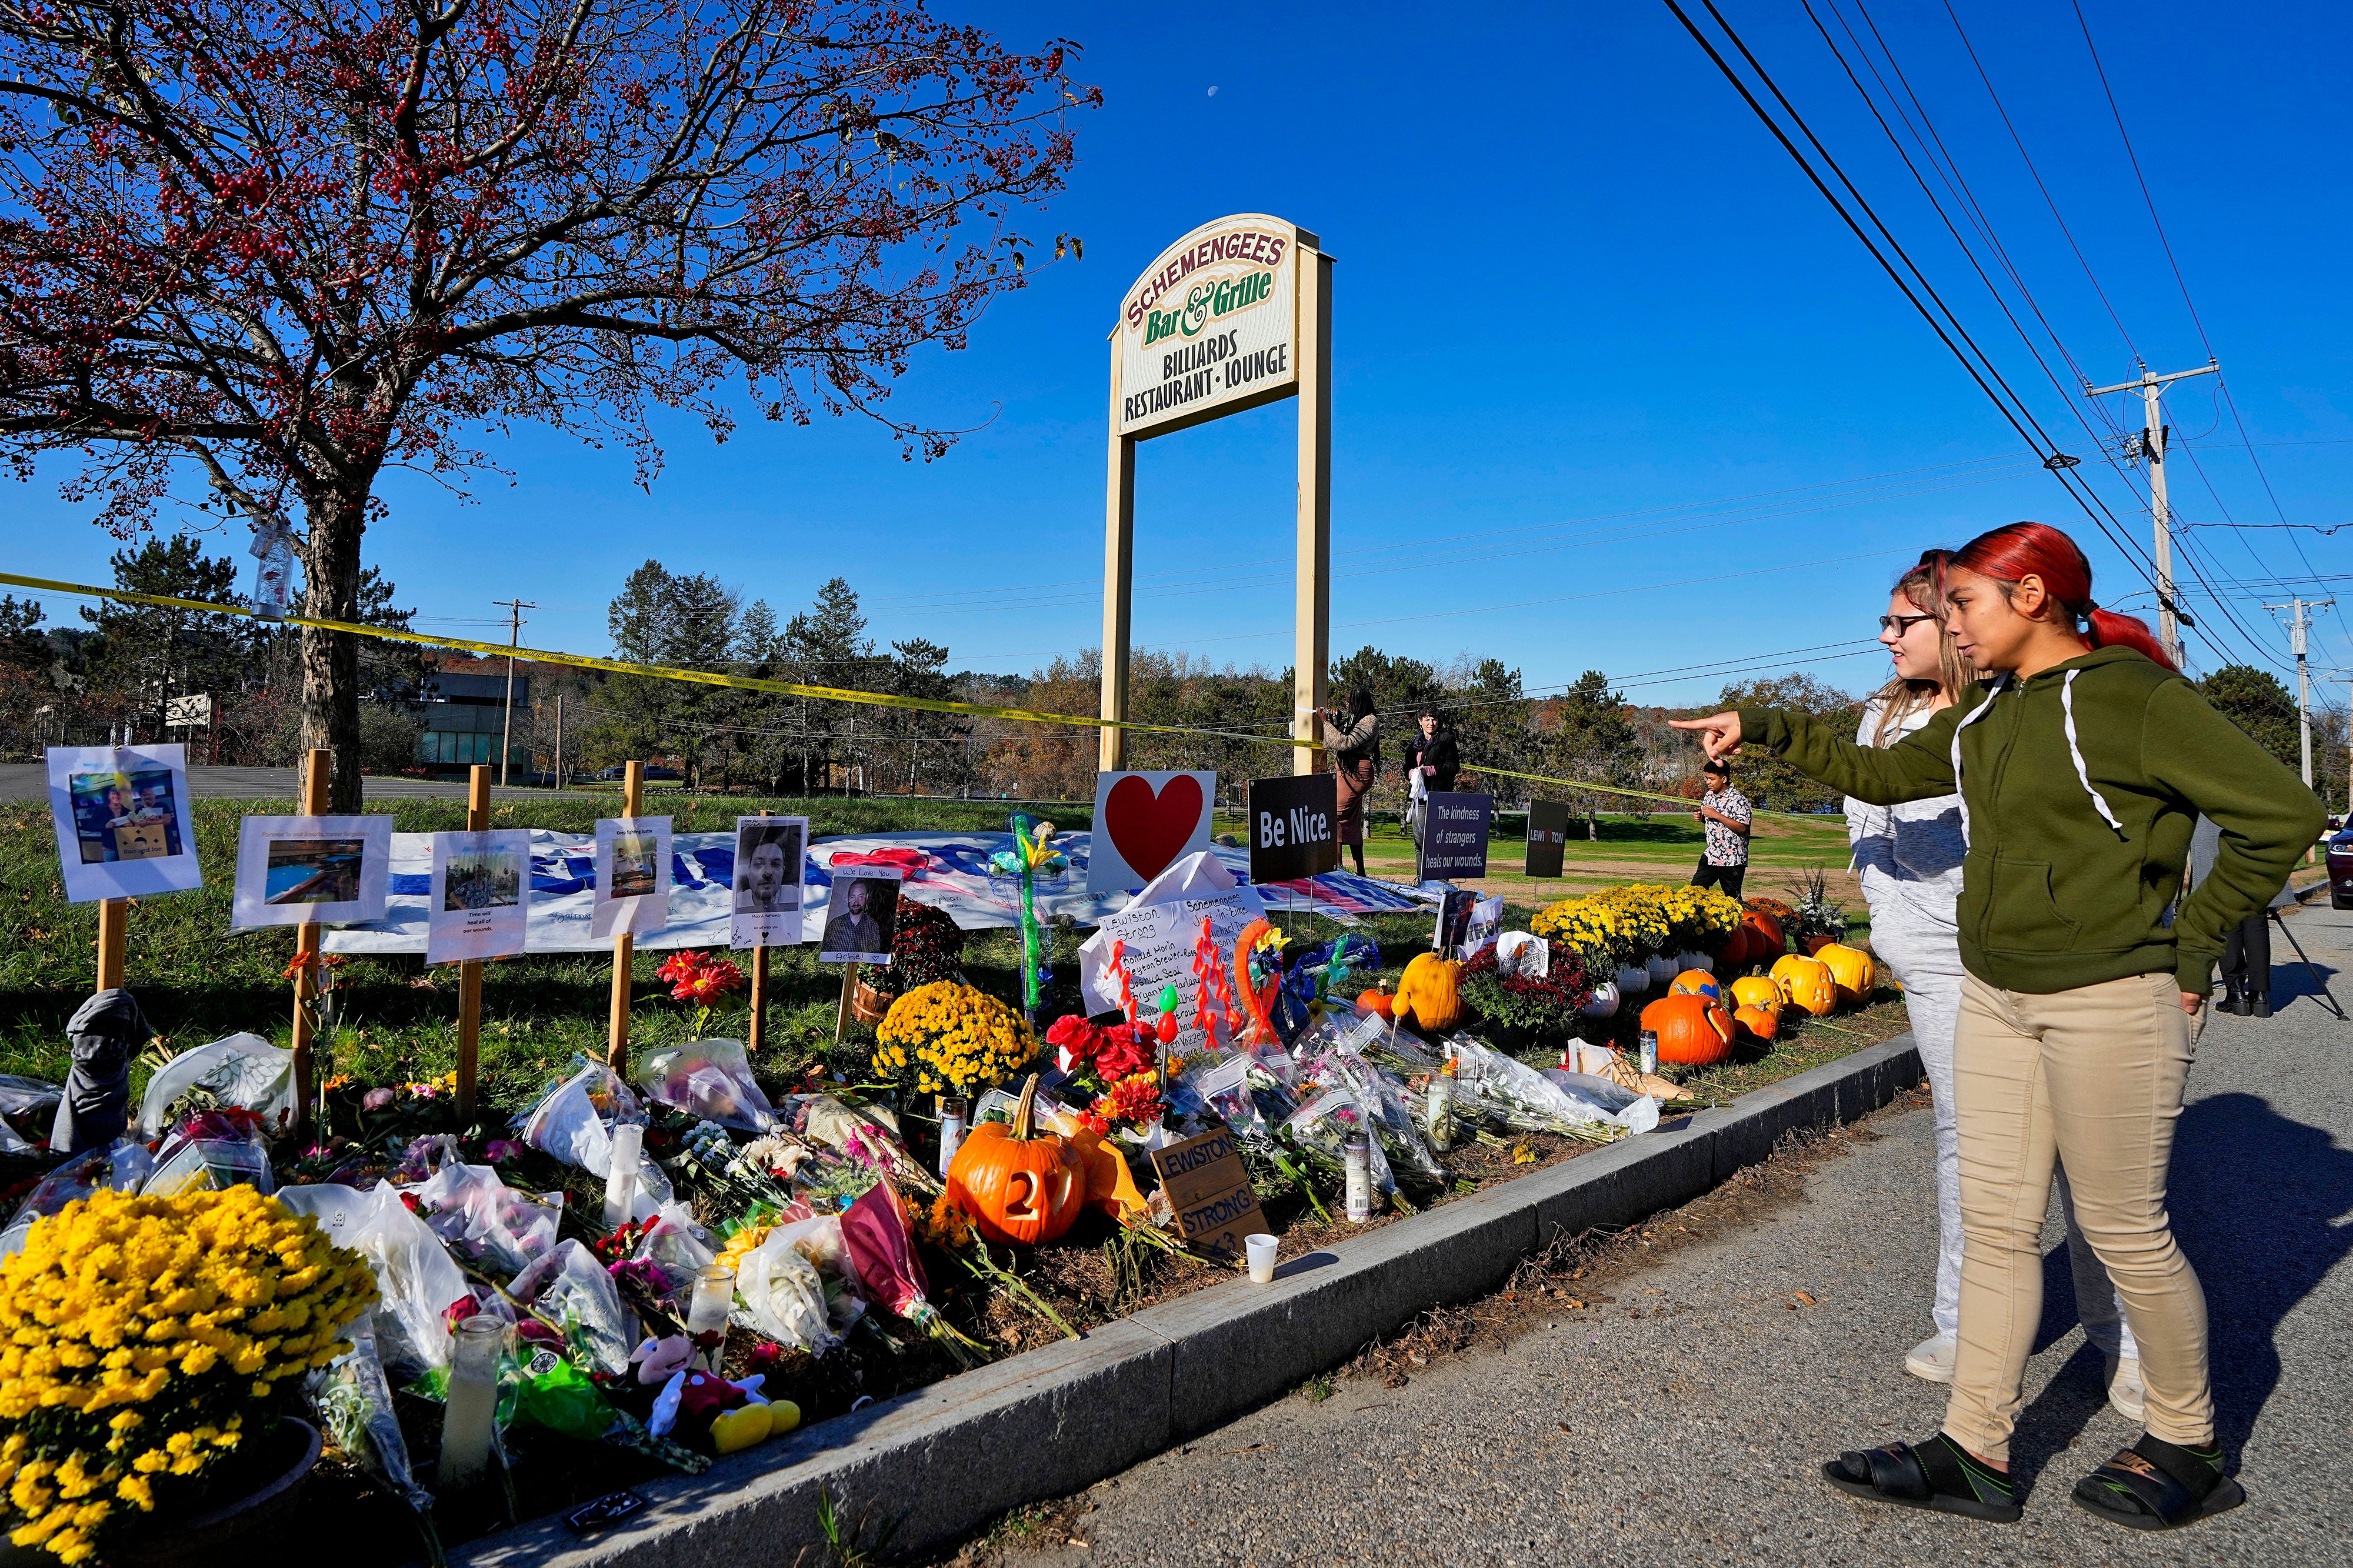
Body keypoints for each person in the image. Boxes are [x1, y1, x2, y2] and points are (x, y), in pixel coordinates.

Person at [1674, 522, 2322, 1532]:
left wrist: (2188, 947)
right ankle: (1976, 1448)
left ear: (2029, 598)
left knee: (2121, 1231)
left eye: (1962, 608)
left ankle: (2190, 1442)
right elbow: (1885, 776)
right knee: (2000, 1229)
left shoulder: (2132, 698)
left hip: (2114, 999)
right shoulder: (1984, 712)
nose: (1951, 629)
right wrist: (1758, 727)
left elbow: (2279, 814)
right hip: (1998, 997)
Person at [1845, 559, 2140, 1414]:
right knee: (1968, 1144)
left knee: (2090, 1157)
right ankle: (1965, 1321)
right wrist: (1899, 933)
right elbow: (1869, 836)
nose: (1886, 636)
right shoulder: (1882, 718)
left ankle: (2120, 1338)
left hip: (2049, 954)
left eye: (1905, 621)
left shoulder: (2020, 707)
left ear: (1959, 622)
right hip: (1940, 964)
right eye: (1888, 621)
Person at [1320, 688, 1380, 876]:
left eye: (1350, 702)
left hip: (1357, 775)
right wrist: (1336, 721)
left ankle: (1337, 869)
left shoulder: (1370, 721)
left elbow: (1346, 743)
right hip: (1347, 772)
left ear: (1360, 702)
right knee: (1350, 821)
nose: (1347, 705)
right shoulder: (1357, 719)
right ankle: (1360, 871)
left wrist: (1324, 722)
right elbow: (1344, 735)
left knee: (1334, 816)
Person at [1689, 758, 1751, 899]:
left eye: (1712, 779)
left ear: (1724, 779)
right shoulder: (1709, 796)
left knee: (1733, 899)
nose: (1708, 782)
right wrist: (1702, 819)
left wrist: (1716, 815)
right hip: (1712, 855)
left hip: (1732, 859)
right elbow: (1714, 824)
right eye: (1707, 778)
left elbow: (1742, 828)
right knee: (1695, 892)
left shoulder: (1738, 800)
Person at [735, 830, 795, 913]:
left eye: (776, 864)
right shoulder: (736, 904)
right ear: (748, 872)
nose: (768, 872)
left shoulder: (796, 896)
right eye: (759, 864)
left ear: (783, 871)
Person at [1402, 708, 1459, 795]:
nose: (1431, 724)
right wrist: (1412, 773)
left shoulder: (1446, 739)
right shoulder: (1415, 744)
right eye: (1427, 720)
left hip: (1439, 795)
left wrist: (1430, 770)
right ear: (1420, 721)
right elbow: (1407, 767)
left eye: (1434, 720)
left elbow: (1453, 767)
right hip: (1418, 795)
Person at [824, 877, 885, 955]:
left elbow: (875, 956)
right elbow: (825, 956)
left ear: (867, 897)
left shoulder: (873, 925)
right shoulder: (834, 925)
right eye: (853, 897)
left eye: (861, 897)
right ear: (848, 898)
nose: (856, 902)